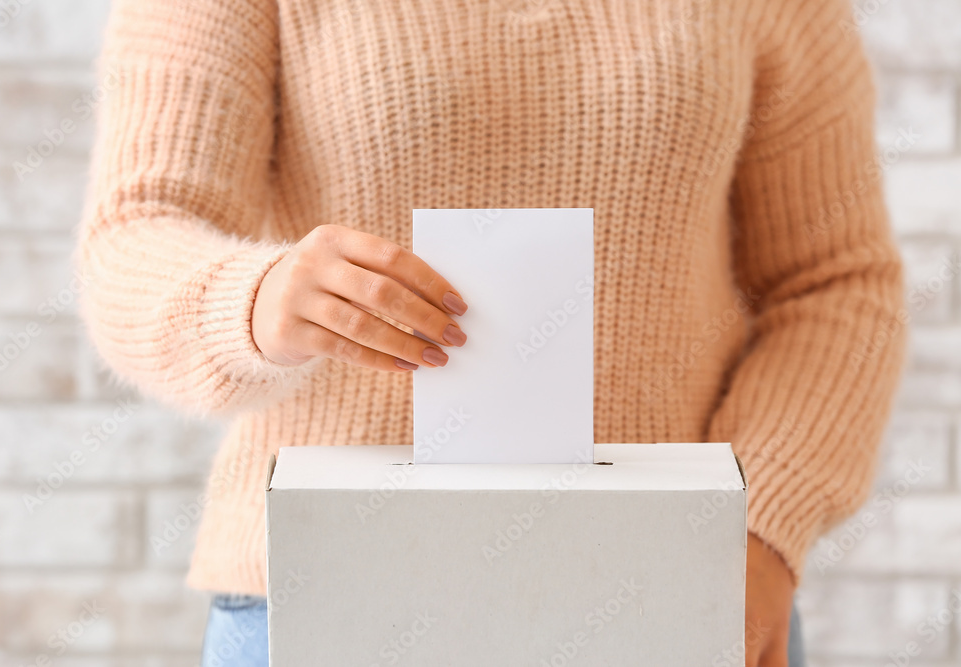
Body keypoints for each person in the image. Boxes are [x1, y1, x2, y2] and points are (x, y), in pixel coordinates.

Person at [76, 0, 906, 665]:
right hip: (327, 593)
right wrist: (254, 299)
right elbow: (140, 229)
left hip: (679, 592)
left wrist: (760, 525)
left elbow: (834, 282)